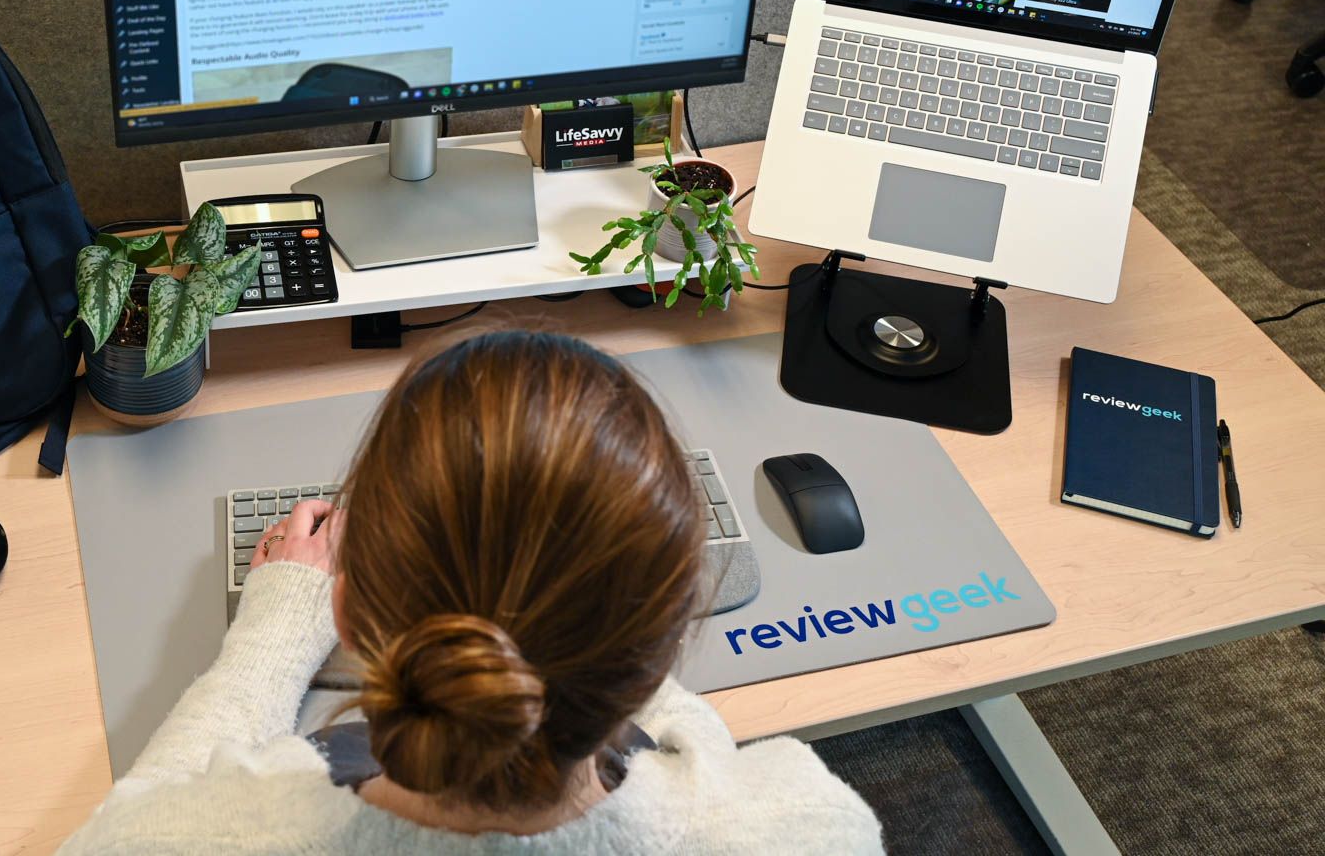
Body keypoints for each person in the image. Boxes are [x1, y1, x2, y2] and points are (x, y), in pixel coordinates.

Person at [60, 331, 882, 853]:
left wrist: (278, 618)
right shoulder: (810, 827)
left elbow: (140, 812)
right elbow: (694, 746)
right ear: (670, 636)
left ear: (347, 613)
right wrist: (603, 592)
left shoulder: (192, 840)